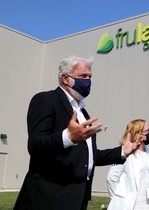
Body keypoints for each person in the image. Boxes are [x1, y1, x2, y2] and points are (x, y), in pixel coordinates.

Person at [14, 55, 140, 210]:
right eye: (82, 76)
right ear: (65, 78)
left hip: (78, 198)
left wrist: (122, 151)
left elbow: (88, 155)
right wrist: (68, 137)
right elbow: (35, 144)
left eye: (90, 77)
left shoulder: (83, 112)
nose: (88, 81)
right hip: (49, 198)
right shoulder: (46, 100)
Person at [106, 119, 149, 210]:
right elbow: (111, 178)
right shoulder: (127, 153)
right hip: (132, 205)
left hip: (148, 203)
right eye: (147, 131)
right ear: (138, 133)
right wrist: (120, 200)